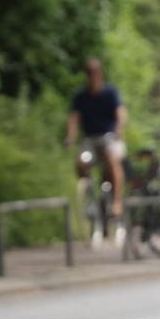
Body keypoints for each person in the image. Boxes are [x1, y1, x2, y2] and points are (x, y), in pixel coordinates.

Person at [65, 59, 127, 218]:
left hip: (109, 137)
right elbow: (74, 118)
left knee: (113, 160)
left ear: (100, 74)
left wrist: (119, 130)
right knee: (80, 162)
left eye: (94, 73)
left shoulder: (110, 92)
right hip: (89, 139)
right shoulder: (81, 96)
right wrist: (70, 137)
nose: (92, 77)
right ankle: (89, 193)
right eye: (89, 74)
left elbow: (120, 113)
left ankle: (117, 202)